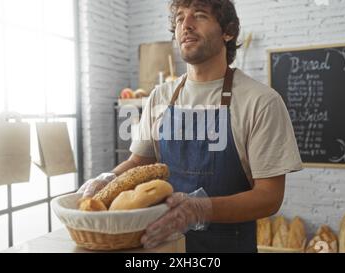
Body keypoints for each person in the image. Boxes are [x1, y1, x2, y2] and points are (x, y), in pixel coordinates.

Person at [78, 0, 302, 253]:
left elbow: (269, 197)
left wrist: (200, 208)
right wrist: (107, 180)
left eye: (199, 15)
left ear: (228, 31)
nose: (186, 25)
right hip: (160, 246)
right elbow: (139, 162)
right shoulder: (160, 97)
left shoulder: (260, 101)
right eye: (180, 18)